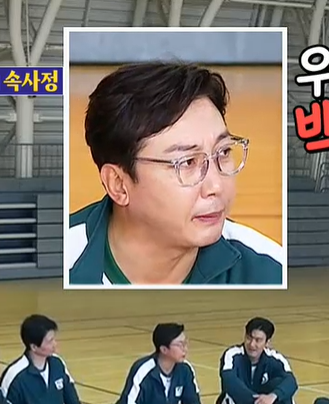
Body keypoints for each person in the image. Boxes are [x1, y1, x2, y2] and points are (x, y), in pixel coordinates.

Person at [65, 61, 284, 286]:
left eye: (224, 151)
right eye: (187, 162)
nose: (216, 186)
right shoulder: (61, 261)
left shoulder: (270, 270)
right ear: (119, 184)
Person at [110, 322, 218, 404]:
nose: (185, 349)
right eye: (179, 345)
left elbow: (194, 402)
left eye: (185, 343)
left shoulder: (185, 369)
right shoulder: (143, 369)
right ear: (164, 349)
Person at [215, 317, 301, 404]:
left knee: (281, 385)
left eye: (258, 340)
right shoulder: (232, 355)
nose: (252, 344)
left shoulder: (275, 358)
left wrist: (272, 397)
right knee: (234, 389)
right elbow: (229, 382)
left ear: (267, 342)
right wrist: (257, 400)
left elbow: (291, 382)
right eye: (249, 338)